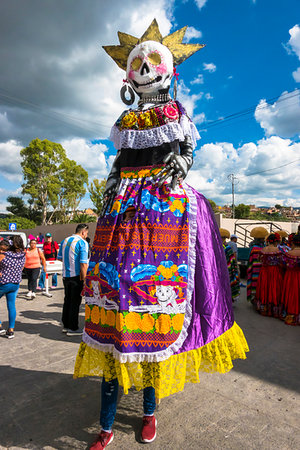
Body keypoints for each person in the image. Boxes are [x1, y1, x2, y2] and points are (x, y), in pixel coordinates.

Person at [73, 20, 248, 449]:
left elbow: (187, 147)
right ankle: (107, 424)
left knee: (154, 323)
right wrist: (113, 182)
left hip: (162, 204)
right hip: (122, 212)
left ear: (167, 70)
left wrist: (183, 167)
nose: (145, 68)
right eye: (138, 63)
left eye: (153, 61)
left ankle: (149, 412)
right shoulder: (127, 119)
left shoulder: (174, 113)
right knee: (114, 322)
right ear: (128, 73)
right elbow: (120, 159)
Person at [57, 224, 89, 336]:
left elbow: (60, 258)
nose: (86, 236)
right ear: (83, 232)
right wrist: (85, 279)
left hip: (66, 275)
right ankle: (73, 328)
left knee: (67, 300)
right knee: (75, 302)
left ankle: (65, 325)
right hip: (76, 276)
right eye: (86, 233)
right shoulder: (82, 243)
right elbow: (83, 263)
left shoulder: (64, 240)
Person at [0, 236, 25, 339]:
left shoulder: (3, 255)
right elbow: (22, 268)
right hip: (15, 284)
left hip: (4, 283)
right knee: (11, 306)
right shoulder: (23, 255)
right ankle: (11, 330)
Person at [253, 233, 283, 317]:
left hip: (264, 271)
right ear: (276, 241)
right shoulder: (277, 250)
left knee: (264, 288)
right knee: (273, 288)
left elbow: (259, 260)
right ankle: (273, 309)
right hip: (274, 271)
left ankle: (263, 307)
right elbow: (281, 262)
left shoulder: (263, 250)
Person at [280, 234, 300, 325]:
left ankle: (288, 314)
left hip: (290, 276)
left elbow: (282, 265)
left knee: (290, 294)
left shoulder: (288, 254)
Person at [247, 227, 268, 302]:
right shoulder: (264, 247)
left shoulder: (253, 247)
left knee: (254, 282)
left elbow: (250, 257)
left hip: (254, 268)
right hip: (262, 269)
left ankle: (254, 297)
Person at [220, 229, 240, 302]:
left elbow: (231, 260)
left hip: (225, 270)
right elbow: (232, 260)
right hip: (224, 270)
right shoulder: (225, 247)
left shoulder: (226, 248)